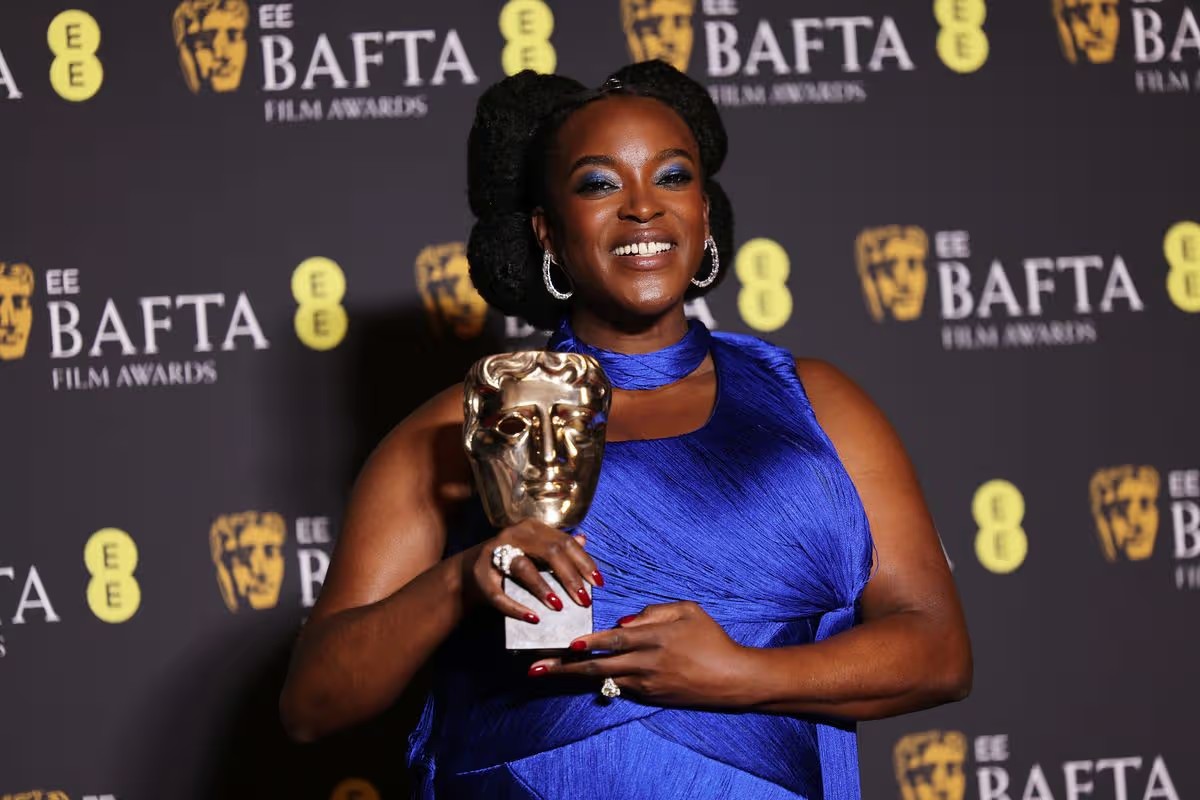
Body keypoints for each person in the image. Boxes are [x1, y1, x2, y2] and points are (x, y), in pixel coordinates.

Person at [279, 60, 972, 799]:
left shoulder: (816, 403)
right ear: (547, 231)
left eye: (672, 176)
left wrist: (741, 674)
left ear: (704, 211)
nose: (643, 207)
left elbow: (938, 652)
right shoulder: (462, 424)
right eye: (599, 184)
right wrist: (460, 580)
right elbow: (313, 705)